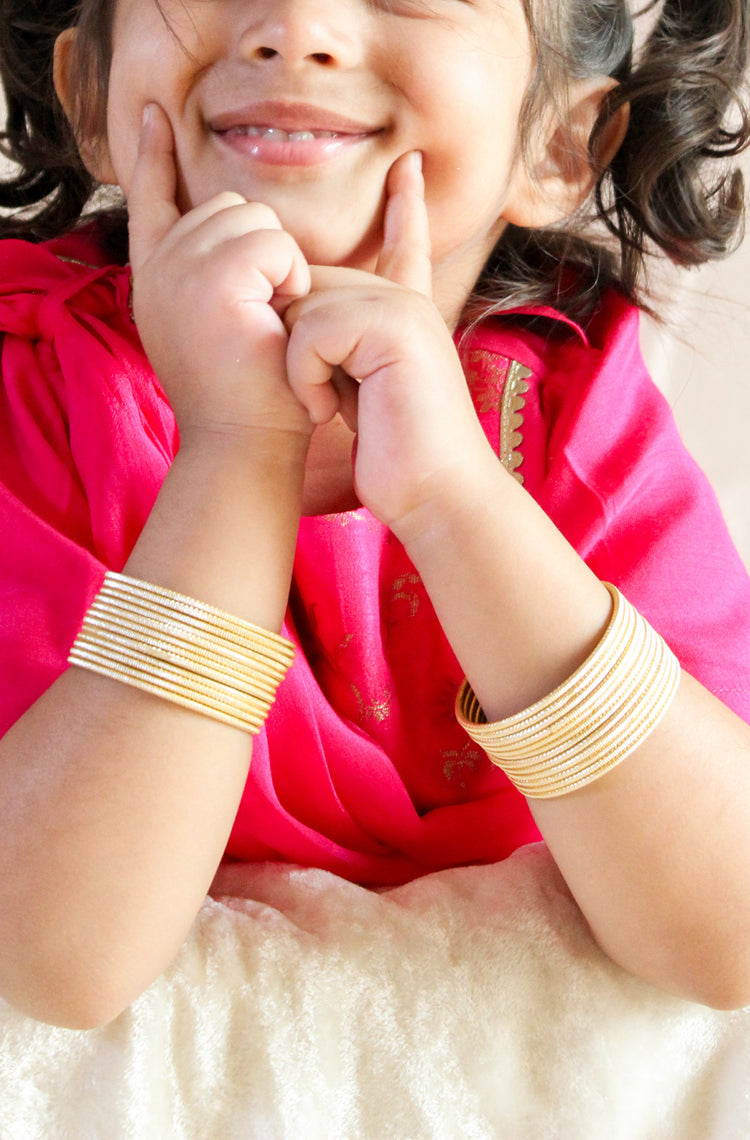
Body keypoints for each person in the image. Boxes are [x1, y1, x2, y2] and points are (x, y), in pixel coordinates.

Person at [1, 0, 750, 1030]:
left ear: (559, 142)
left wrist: (455, 499)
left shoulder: (579, 418)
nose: (293, 24)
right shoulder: (34, 394)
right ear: (90, 92)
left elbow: (728, 937)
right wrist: (238, 446)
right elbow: (55, 963)